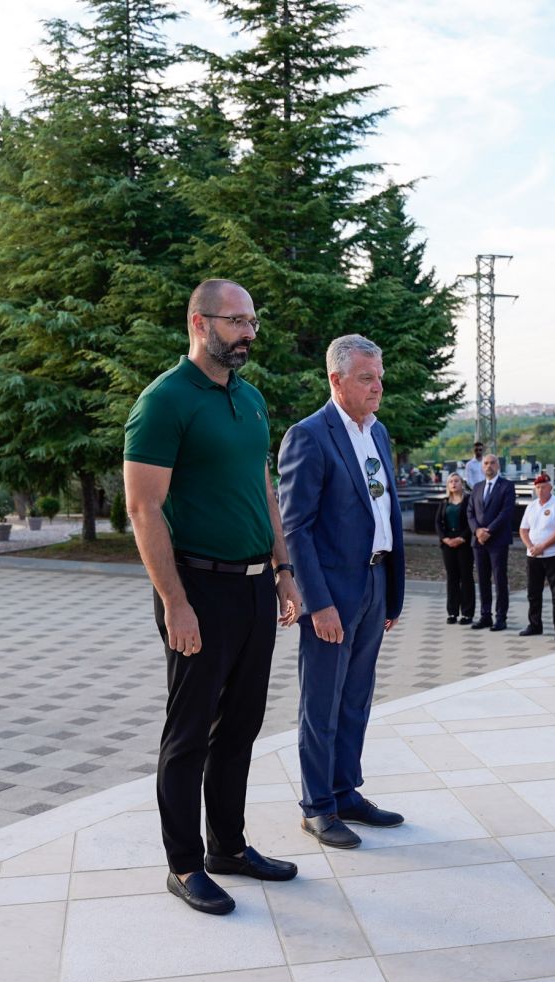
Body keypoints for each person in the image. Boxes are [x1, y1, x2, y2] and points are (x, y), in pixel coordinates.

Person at [124, 278, 302, 916]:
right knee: (190, 732)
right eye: (236, 321)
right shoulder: (164, 401)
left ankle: (228, 846)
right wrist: (173, 601)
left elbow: (262, 488)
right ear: (200, 323)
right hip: (197, 588)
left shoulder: (251, 400)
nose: (249, 332)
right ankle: (183, 864)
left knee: (242, 726)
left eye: (253, 320)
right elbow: (143, 508)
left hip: (256, 586)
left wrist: (284, 569)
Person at [280, 334, 409, 852]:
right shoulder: (310, 436)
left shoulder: (376, 434)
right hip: (333, 593)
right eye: (366, 378)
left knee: (356, 698)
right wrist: (318, 604)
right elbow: (296, 528)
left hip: (375, 582)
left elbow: (385, 512)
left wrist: (390, 593)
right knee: (322, 702)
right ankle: (317, 807)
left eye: (379, 377)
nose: (378, 387)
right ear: (336, 380)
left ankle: (344, 790)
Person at [517, 472, 555, 639]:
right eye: (538, 487)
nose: (540, 490)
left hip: (554, 555)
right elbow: (523, 530)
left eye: (544, 487)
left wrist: (543, 546)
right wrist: (531, 546)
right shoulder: (531, 506)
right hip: (533, 556)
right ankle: (534, 624)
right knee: (533, 592)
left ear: (550, 487)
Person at [468, 452, 514, 632]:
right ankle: (485, 615)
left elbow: (506, 512)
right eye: (486, 463)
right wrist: (477, 531)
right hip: (478, 542)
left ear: (498, 465)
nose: (489, 466)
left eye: (492, 463)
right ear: (482, 466)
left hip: (498, 541)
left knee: (499, 579)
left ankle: (501, 617)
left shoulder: (507, 486)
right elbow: (470, 512)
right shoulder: (477, 487)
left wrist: (489, 531)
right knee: (483, 580)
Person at [438, 472, 474, 625]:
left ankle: (467, 614)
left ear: (462, 483)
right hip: (448, 544)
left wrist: (461, 538)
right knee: (452, 578)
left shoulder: (468, 501)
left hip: (464, 543)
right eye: (451, 481)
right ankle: (452, 612)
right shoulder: (445, 502)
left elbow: (472, 521)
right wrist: (445, 539)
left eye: (456, 481)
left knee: (466, 577)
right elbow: (438, 523)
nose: (453, 484)